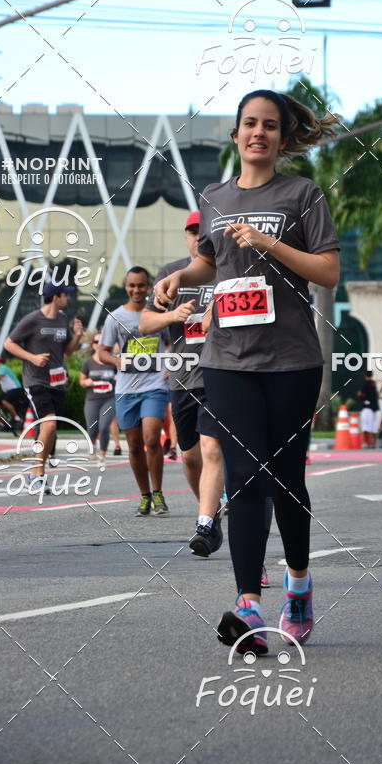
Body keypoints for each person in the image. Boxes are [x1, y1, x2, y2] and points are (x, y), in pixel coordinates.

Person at [155, 89, 339, 655]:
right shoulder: (213, 196)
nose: (257, 133)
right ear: (235, 135)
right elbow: (212, 260)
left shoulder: (303, 195)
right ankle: (248, 605)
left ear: (282, 138)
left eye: (269, 126)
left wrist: (267, 241)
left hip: (290, 362)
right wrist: (182, 278)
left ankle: (300, 589)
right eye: (248, 124)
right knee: (245, 480)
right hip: (227, 361)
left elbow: (327, 271)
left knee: (287, 483)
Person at [140, 211, 224, 556]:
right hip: (182, 377)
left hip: (221, 373)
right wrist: (171, 316)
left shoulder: (228, 270)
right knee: (190, 458)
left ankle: (204, 521)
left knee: (212, 448)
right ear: (186, 237)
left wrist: (215, 314)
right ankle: (212, 512)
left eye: (201, 232)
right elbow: (145, 324)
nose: (196, 238)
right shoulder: (170, 275)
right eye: (191, 233)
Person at [98, 267, 170, 517]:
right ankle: (145, 495)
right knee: (134, 444)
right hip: (126, 389)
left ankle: (159, 492)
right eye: (132, 286)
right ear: (126, 287)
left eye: (141, 285)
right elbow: (102, 351)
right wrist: (117, 362)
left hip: (154, 385)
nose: (137, 290)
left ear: (149, 286)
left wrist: (169, 364)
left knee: (152, 438)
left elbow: (171, 343)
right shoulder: (114, 318)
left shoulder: (160, 313)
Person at [4, 283, 83, 493]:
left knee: (49, 431)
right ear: (56, 297)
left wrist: (77, 336)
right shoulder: (33, 319)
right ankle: (36, 474)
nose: (68, 299)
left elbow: (66, 351)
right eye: (66, 295)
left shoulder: (62, 319)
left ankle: (36, 473)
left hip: (56, 382)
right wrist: (32, 357)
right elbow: (9, 343)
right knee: (49, 426)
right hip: (36, 381)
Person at [79, 332, 117, 467]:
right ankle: (92, 444)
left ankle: (102, 456)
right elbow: (81, 381)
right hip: (92, 399)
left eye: (102, 342)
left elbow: (122, 378)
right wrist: (87, 382)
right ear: (93, 345)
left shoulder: (112, 360)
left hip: (109, 398)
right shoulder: (88, 363)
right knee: (92, 429)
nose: (99, 345)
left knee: (104, 426)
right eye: (96, 342)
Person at [0, 354, 26, 427]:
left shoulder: (3, 368)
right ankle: (2, 423)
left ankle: (17, 418)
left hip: (15, 389)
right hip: (7, 391)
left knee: (4, 401)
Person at [358, 371, 379, 448]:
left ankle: (366, 443)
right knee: (374, 426)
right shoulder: (373, 383)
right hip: (374, 407)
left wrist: (360, 394)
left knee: (365, 426)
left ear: (365, 375)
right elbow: (376, 394)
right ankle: (374, 443)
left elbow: (361, 394)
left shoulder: (365, 383)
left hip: (367, 407)